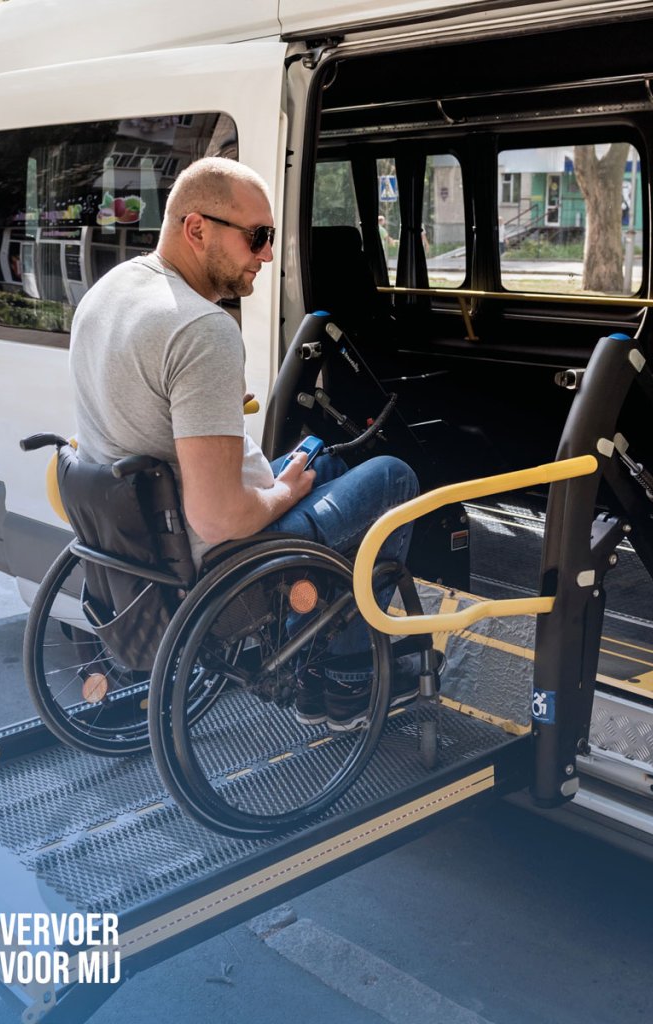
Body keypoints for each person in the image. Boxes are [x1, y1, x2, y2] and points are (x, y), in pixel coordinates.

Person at [70, 157, 418, 731]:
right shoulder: (201, 329)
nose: (269, 255)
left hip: (150, 538)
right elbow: (218, 517)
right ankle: (348, 681)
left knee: (325, 458)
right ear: (196, 228)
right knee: (391, 477)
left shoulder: (109, 292)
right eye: (257, 237)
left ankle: (315, 649)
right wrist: (281, 492)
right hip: (221, 555)